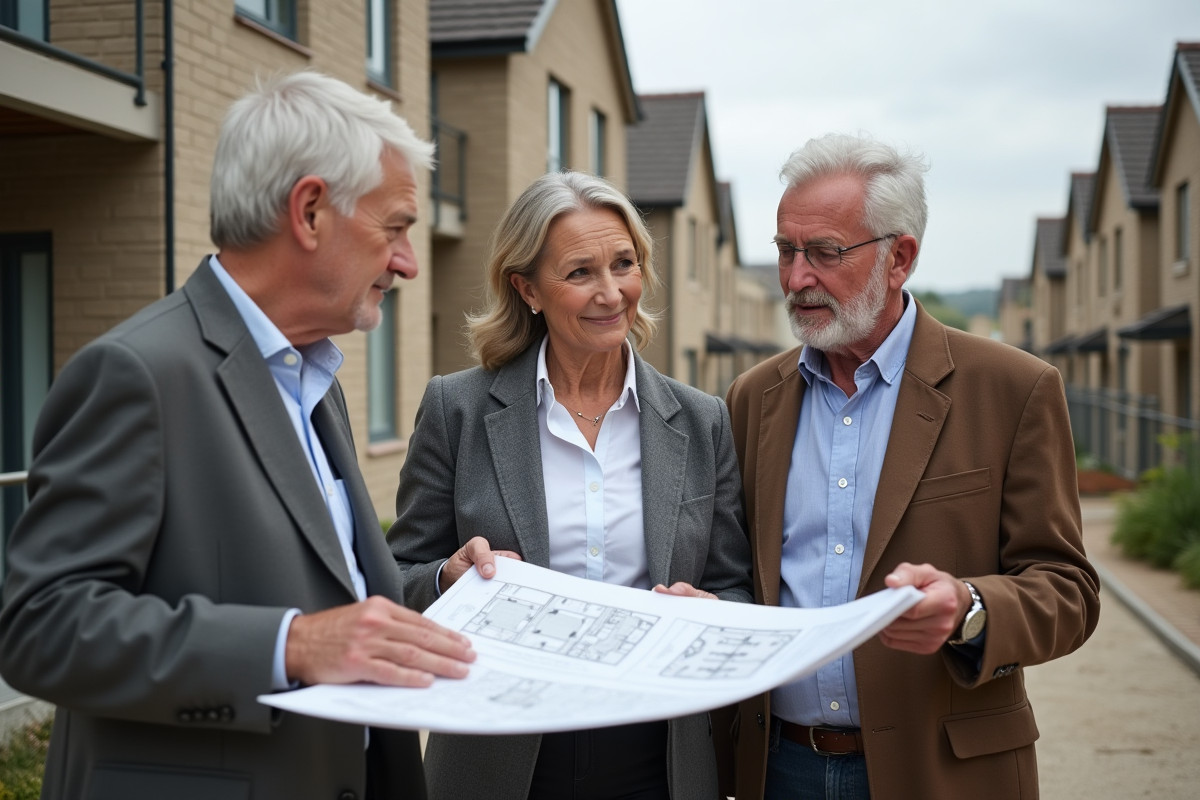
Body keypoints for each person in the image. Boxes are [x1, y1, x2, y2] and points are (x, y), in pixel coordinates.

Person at [0, 71, 476, 800]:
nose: (409, 262)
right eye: (396, 227)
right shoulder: (136, 375)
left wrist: (445, 589)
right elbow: (42, 627)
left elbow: (333, 595)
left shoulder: (318, 385)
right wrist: (292, 645)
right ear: (310, 211)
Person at [725, 134, 1100, 800]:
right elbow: (735, 578)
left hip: (944, 772)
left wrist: (969, 608)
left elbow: (1068, 591)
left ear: (899, 258)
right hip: (779, 770)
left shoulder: (1013, 389)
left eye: (825, 253)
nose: (796, 279)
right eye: (787, 251)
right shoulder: (753, 398)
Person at [388, 170, 754, 800]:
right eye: (580, 272)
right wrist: (447, 578)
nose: (612, 293)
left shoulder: (701, 420)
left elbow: (736, 590)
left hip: (659, 759)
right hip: (498, 759)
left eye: (624, 264)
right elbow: (396, 580)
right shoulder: (457, 409)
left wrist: (713, 611)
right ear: (526, 288)